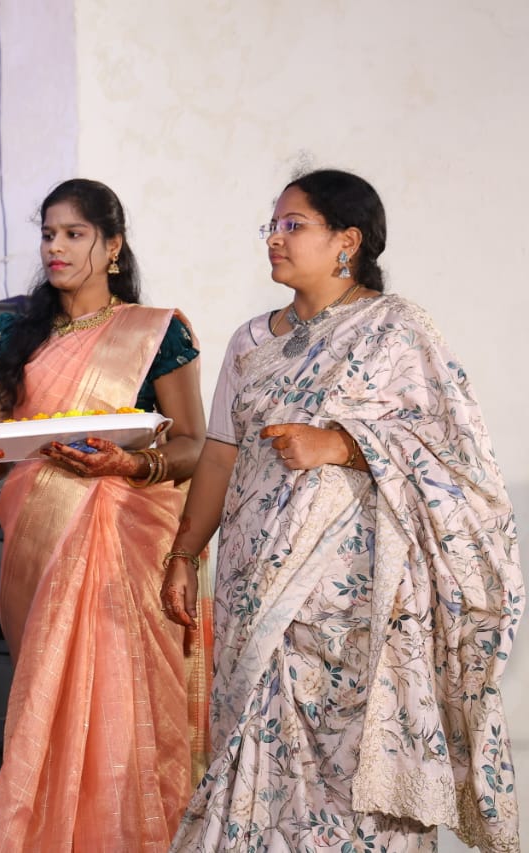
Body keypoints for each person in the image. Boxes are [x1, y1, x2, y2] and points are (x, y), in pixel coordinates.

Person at [163, 169, 522, 852]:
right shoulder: (249, 342)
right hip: (253, 584)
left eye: (293, 224)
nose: (275, 237)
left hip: (352, 603)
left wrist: (344, 445)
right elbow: (219, 456)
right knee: (254, 756)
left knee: (346, 776)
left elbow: (460, 460)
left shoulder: (397, 330)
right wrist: (184, 553)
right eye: (272, 225)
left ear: (346, 242)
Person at [0, 178, 208, 851]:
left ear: (113, 246)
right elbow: (2, 444)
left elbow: (192, 445)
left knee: (123, 698)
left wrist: (131, 465)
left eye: (74, 234)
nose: (56, 248)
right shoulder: (13, 334)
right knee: (49, 693)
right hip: (39, 535)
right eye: (48, 234)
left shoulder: (157, 332)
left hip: (128, 539)